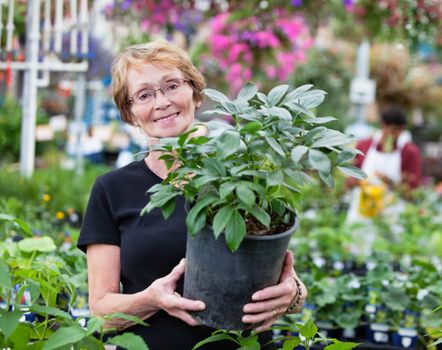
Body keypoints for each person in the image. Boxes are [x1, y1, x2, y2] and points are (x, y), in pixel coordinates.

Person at [76, 40, 307, 350]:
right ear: (130, 113)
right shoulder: (111, 190)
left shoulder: (246, 174)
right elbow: (101, 312)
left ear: (196, 93)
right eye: (144, 94)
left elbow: (273, 265)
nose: (161, 102)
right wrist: (151, 300)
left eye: (172, 86)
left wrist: (293, 294)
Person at [345, 105, 422, 224]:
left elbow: (412, 193)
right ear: (382, 125)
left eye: (399, 131)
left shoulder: (409, 152)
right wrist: (354, 182)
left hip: (392, 216)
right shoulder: (363, 146)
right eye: (392, 130)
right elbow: (350, 179)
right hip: (362, 212)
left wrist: (390, 183)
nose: (395, 135)